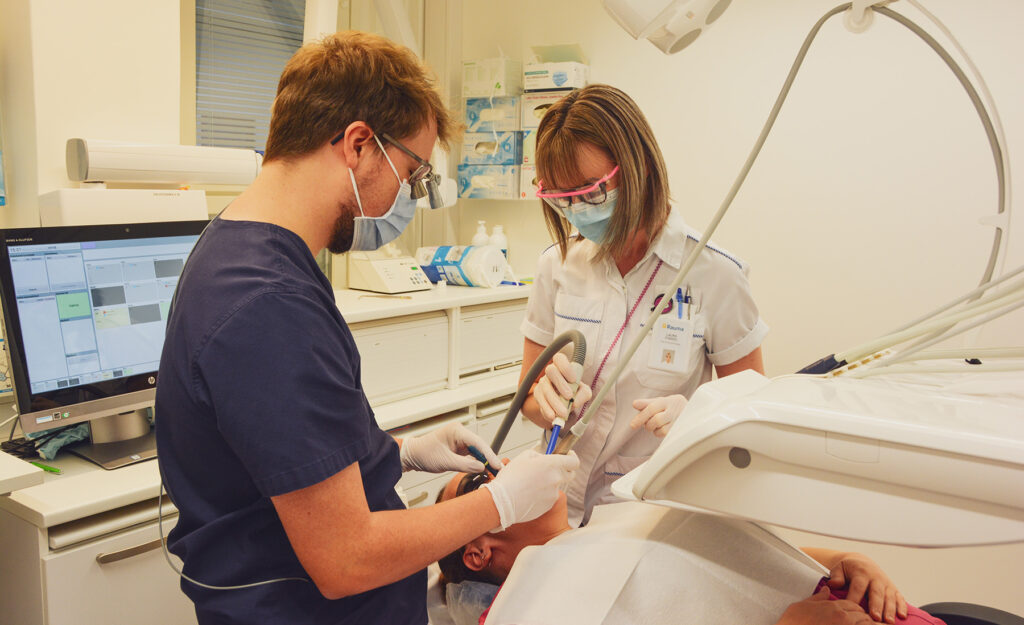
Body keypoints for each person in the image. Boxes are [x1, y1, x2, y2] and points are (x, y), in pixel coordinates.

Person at [155, 31, 578, 625]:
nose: (409, 196)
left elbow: (288, 456)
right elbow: (346, 559)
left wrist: (398, 455)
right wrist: (499, 503)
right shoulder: (266, 303)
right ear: (358, 144)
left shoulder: (241, 252)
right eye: (411, 173)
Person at [520, 84, 768, 526]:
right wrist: (546, 402)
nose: (578, 211)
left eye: (592, 193)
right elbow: (527, 400)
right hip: (553, 506)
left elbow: (750, 415)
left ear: (639, 168)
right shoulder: (556, 266)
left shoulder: (714, 274)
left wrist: (696, 418)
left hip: (649, 513)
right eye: (562, 199)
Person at [435, 471, 944, 625]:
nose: (510, 467)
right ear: (477, 552)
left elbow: (741, 557)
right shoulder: (523, 611)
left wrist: (847, 561)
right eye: (484, 480)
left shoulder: (615, 518)